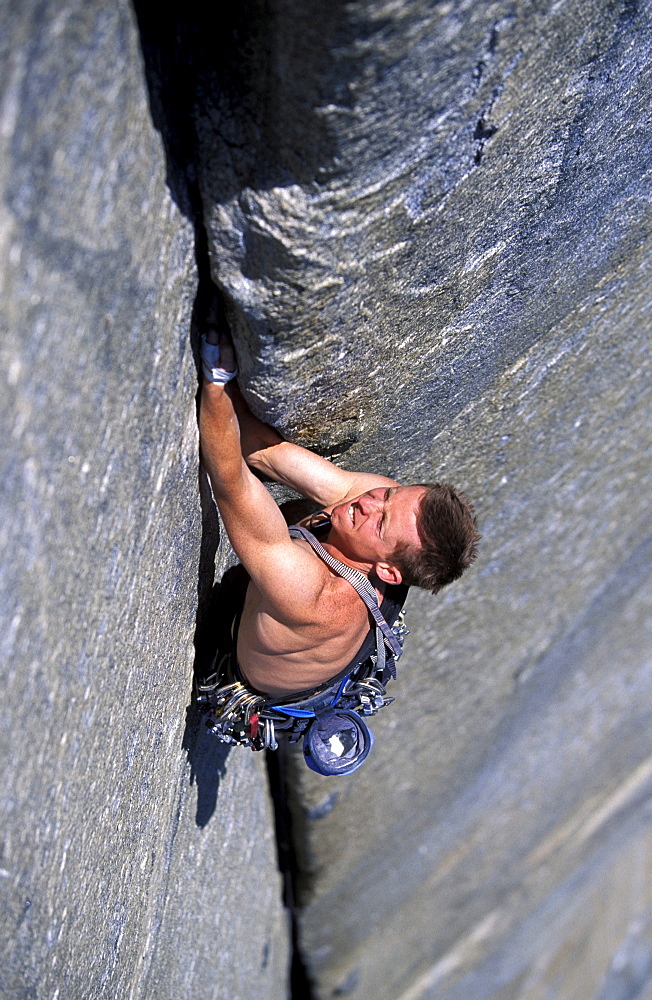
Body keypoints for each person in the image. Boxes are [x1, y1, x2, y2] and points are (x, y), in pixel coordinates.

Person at [199, 326, 480, 700]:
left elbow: (232, 481)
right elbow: (266, 453)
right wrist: (233, 380)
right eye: (389, 494)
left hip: (238, 669)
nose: (368, 502)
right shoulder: (374, 504)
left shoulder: (309, 592)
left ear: (388, 573)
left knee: (280, 525)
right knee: (307, 510)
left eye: (380, 522)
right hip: (305, 601)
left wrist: (215, 384)